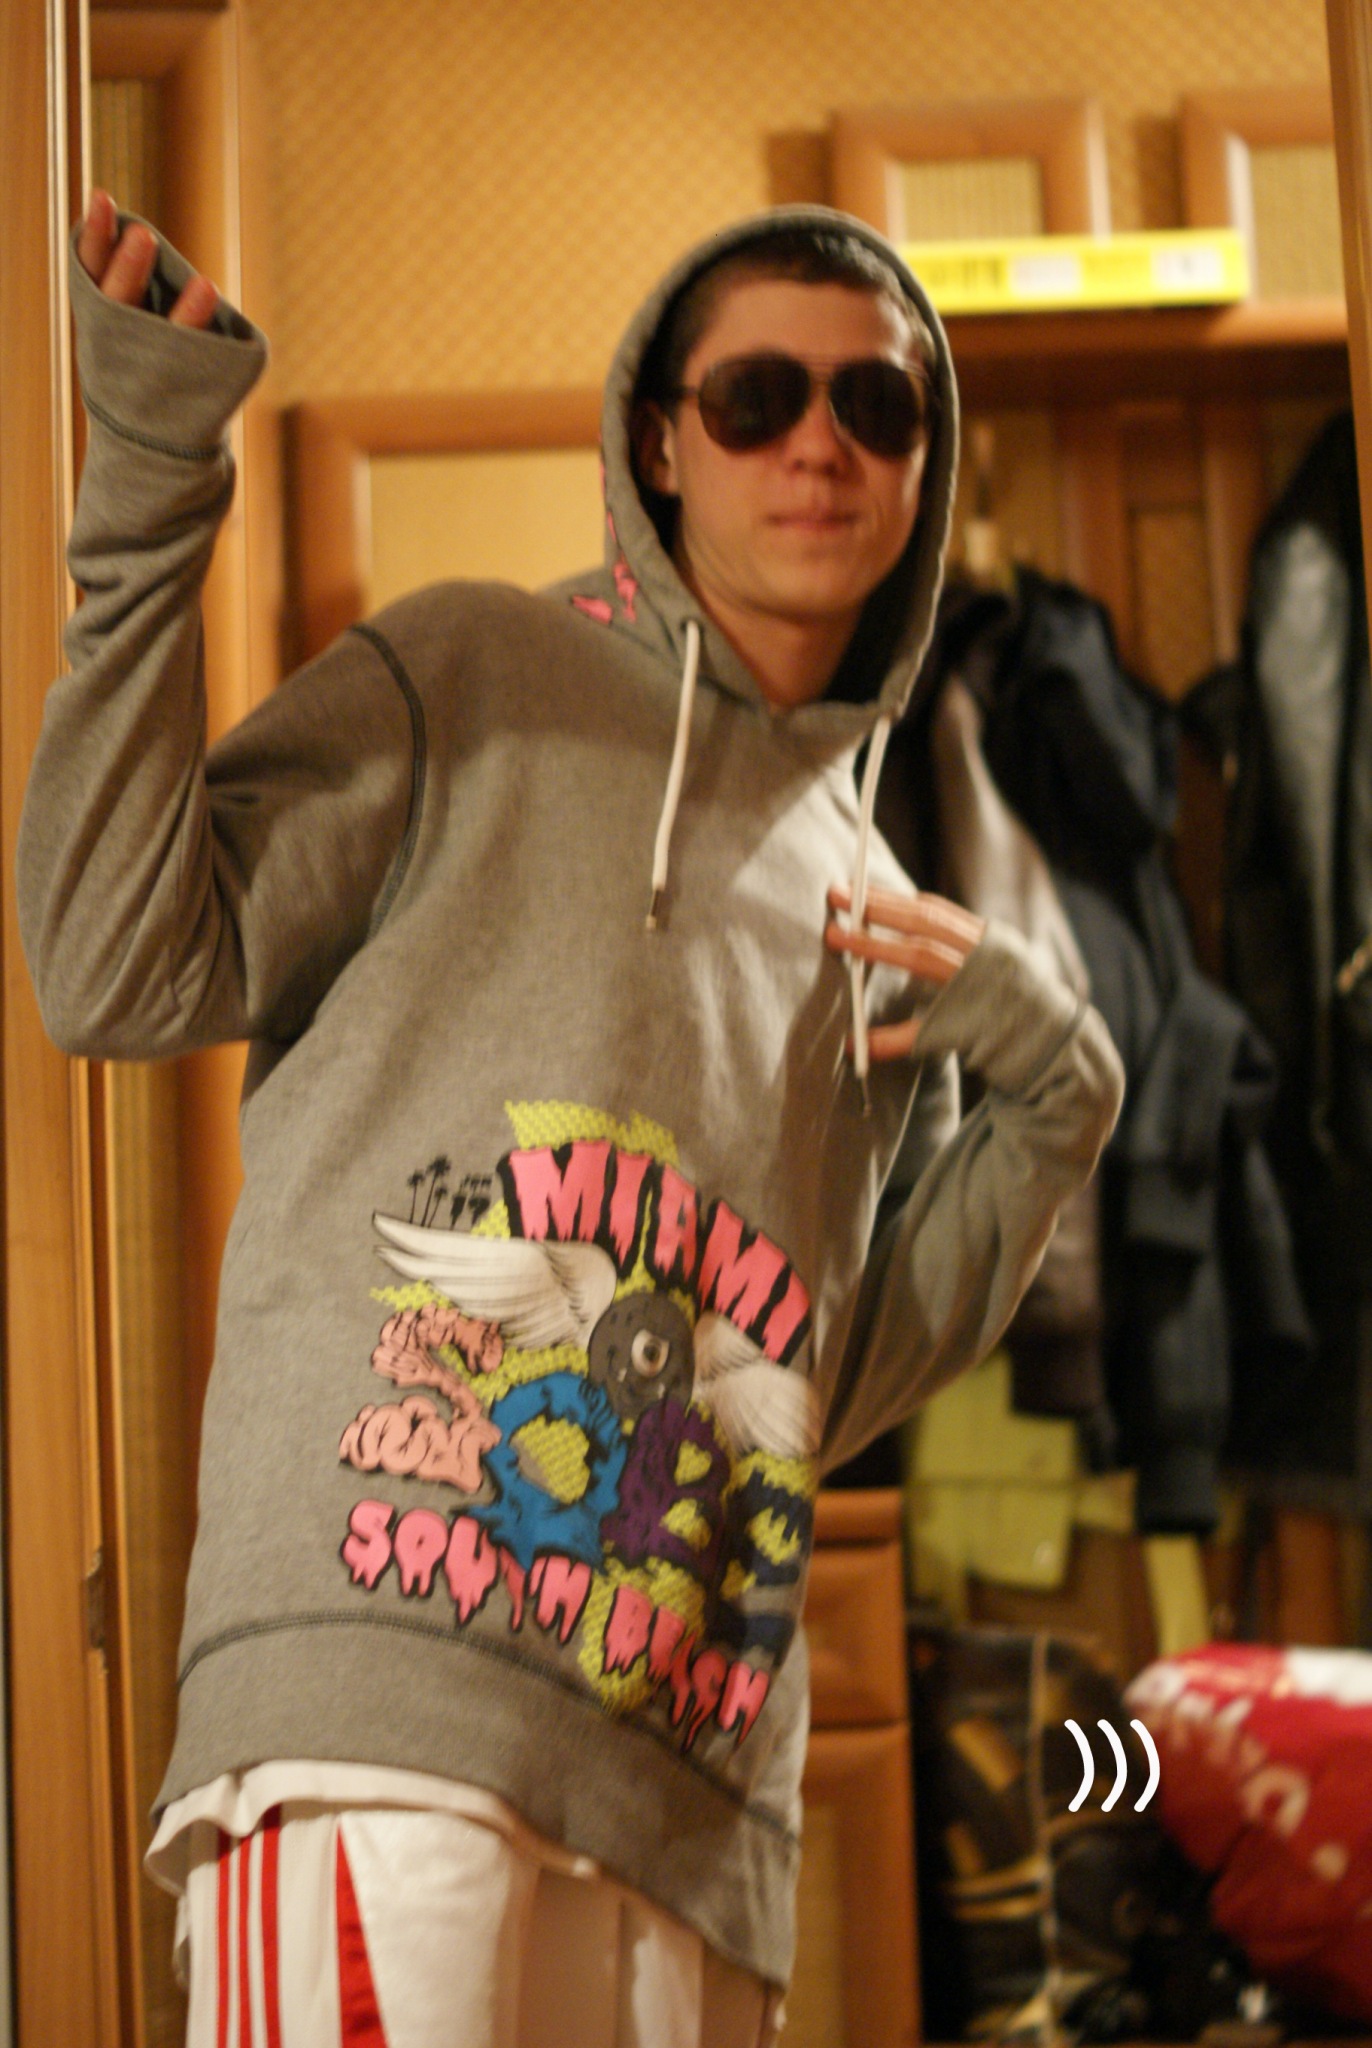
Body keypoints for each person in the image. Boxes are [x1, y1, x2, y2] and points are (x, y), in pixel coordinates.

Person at [19, 189, 1123, 2047]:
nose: (821, 446)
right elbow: (115, 967)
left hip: (688, 1793)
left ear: (926, 469)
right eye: (759, 397)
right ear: (662, 443)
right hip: (385, 1715)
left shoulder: (877, 905)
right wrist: (147, 482)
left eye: (878, 406)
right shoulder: (469, 675)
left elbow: (807, 1392)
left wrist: (1062, 1086)